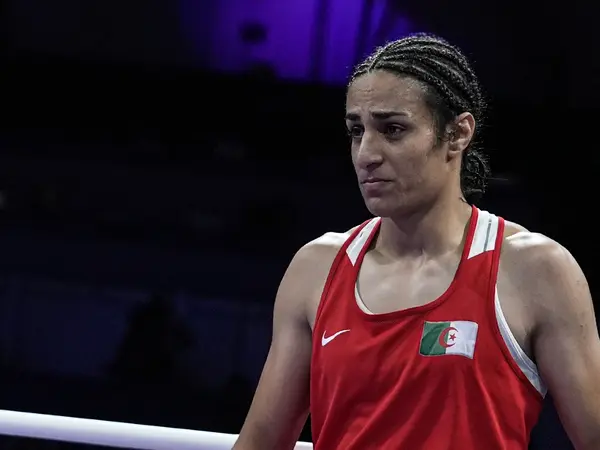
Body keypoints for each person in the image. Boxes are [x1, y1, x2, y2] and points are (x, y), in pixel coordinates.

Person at [232, 34, 600, 449]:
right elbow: (261, 441)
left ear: (457, 133)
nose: (366, 154)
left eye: (393, 129)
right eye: (356, 131)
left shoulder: (534, 269)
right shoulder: (316, 268)